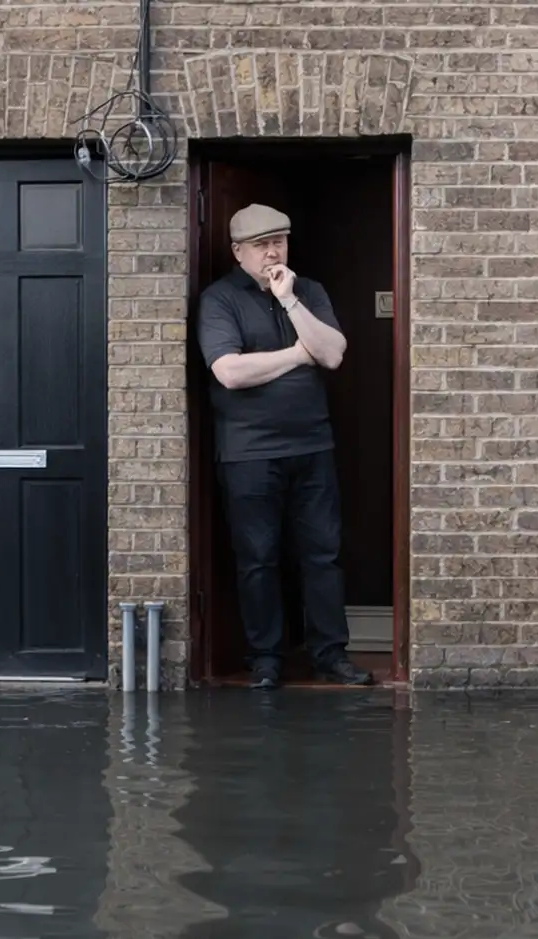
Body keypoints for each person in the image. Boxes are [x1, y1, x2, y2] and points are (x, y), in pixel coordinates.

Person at [196, 203, 374, 690]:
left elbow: (333, 354)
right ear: (238, 252)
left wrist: (291, 301)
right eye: (260, 245)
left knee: (322, 554)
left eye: (279, 241)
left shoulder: (308, 291)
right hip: (248, 453)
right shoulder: (220, 300)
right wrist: (300, 354)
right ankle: (265, 659)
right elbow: (229, 373)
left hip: (313, 446)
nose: (272, 251)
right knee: (258, 558)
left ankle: (329, 654)